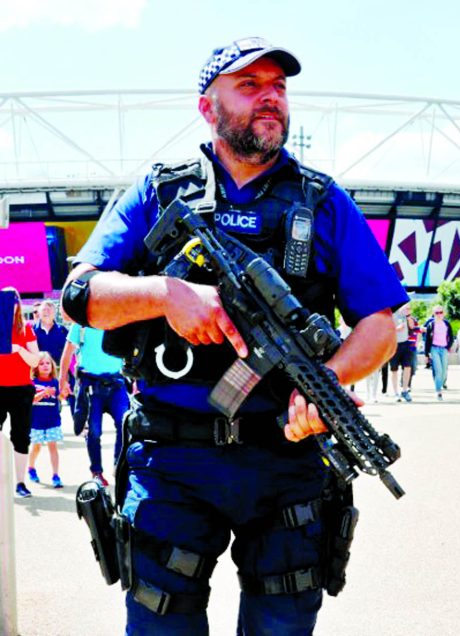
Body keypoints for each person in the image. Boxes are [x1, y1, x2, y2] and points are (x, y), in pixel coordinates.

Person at [59, 37, 406, 634]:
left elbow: (381, 323)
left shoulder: (324, 202)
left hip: (287, 459)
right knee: (161, 624)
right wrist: (167, 295)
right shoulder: (159, 192)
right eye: (250, 85)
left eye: (279, 86)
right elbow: (80, 296)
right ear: (207, 107)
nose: (271, 97)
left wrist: (328, 379)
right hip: (171, 460)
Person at [59, 324, 130, 487]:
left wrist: (136, 381)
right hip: (90, 384)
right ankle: (96, 472)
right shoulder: (80, 323)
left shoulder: (119, 319)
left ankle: (118, 466)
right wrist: (62, 380)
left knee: (124, 424)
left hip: (116, 382)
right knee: (93, 431)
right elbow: (68, 351)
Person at [0, 287, 41, 498]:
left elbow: (36, 360)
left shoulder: (26, 329)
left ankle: (20, 483)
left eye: (13, 301)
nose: (11, 306)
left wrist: (19, 350)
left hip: (21, 390)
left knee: (21, 436)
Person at [27, 351, 64, 488]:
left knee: (52, 447)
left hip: (53, 421)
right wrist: (43, 393)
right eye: (41, 364)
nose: (45, 366)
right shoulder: (32, 383)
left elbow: (60, 397)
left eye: (48, 363)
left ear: (52, 365)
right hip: (36, 423)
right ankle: (31, 468)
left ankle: (55, 475)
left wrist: (65, 392)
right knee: (36, 447)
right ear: (36, 367)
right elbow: (30, 400)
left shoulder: (55, 382)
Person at [423, 305, 454, 400]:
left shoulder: (446, 324)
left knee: (444, 370)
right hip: (434, 349)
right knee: (438, 370)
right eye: (437, 313)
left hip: (443, 349)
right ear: (434, 314)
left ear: (443, 313)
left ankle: (441, 383)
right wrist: (426, 354)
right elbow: (427, 340)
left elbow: (451, 337)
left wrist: (448, 346)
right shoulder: (431, 325)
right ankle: (438, 391)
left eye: (441, 312)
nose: (439, 314)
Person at [390, 303, 416, 402]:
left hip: (406, 344)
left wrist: (409, 317)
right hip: (394, 345)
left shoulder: (407, 316)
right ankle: (396, 393)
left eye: (408, 308)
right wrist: (397, 329)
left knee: (407, 367)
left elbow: (412, 327)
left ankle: (404, 391)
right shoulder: (392, 315)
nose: (407, 309)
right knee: (394, 370)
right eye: (406, 307)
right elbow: (387, 329)